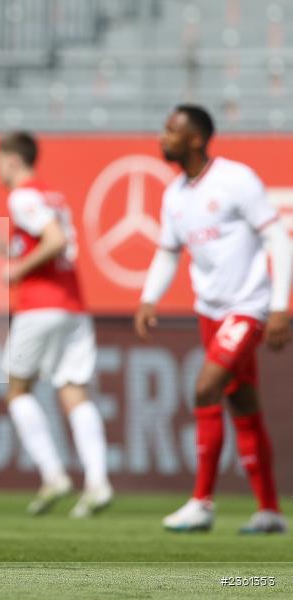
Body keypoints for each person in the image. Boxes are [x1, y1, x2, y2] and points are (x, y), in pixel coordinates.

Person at [136, 105, 290, 534]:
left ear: (196, 139)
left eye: (171, 131)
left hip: (248, 306)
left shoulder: (236, 179)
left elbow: (277, 237)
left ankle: (202, 502)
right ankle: (270, 511)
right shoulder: (174, 195)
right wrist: (149, 298)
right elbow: (168, 251)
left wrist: (279, 305)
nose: (162, 137)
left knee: (205, 387)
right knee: (242, 403)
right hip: (210, 311)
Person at [0, 132, 112, 518]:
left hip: (40, 305)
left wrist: (16, 270)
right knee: (74, 390)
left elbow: (55, 240)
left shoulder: (22, 196)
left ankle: (54, 474)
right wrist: (8, 251)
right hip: (73, 304)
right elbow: (51, 239)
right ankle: (97, 483)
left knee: (16, 390)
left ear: (12, 160)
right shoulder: (52, 195)